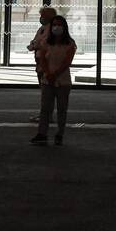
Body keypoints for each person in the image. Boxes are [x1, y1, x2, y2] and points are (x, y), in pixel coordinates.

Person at [31, 15, 76, 147]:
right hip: (47, 80)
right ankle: (42, 134)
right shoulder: (46, 42)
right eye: (54, 25)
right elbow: (42, 59)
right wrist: (48, 73)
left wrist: (54, 74)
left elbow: (67, 62)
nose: (56, 27)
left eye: (59, 25)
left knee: (62, 109)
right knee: (45, 109)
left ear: (64, 27)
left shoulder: (70, 44)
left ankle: (59, 134)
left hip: (63, 81)